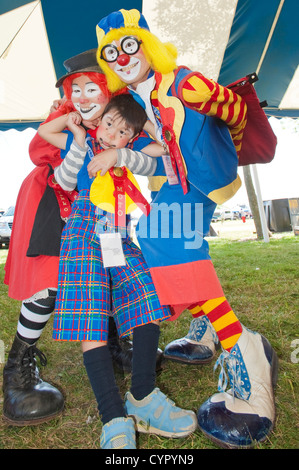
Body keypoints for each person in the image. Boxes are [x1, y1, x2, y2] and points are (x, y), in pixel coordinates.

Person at [92, 9, 279, 449]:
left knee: (166, 239)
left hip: (202, 178)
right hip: (175, 179)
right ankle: (209, 328)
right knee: (163, 240)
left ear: (146, 43)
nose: (122, 57)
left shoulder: (181, 81)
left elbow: (232, 112)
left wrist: (222, 140)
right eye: (111, 52)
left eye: (129, 44)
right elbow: (152, 148)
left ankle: (245, 348)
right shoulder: (134, 101)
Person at [38, 91, 197, 449]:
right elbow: (47, 131)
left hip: (119, 234)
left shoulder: (128, 158)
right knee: (90, 316)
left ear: (131, 136)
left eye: (122, 131)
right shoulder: (82, 145)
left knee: (146, 294)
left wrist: (121, 152)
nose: (111, 132)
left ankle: (142, 395)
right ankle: (112, 415)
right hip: (82, 229)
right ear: (99, 120)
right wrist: (76, 121)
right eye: (108, 123)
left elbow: (162, 147)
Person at [2, 49, 137, 426]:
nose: (84, 95)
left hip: (100, 205)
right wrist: (70, 126)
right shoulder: (67, 114)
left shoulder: (116, 119)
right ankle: (17, 370)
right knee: (48, 283)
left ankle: (111, 344)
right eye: (76, 88)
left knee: (109, 271)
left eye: (93, 87)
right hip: (51, 201)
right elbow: (37, 149)